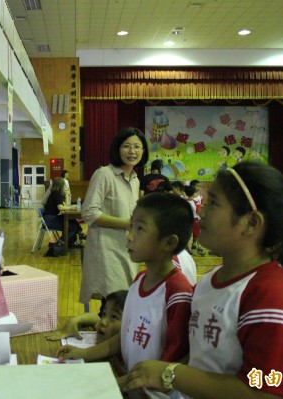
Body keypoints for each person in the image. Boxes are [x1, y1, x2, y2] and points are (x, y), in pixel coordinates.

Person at [122, 162, 283, 399]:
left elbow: (267, 394)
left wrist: (170, 374)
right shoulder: (209, 282)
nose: (201, 211)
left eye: (213, 203)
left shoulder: (274, 296)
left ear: (251, 223)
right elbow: (203, 359)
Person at [62, 192, 195, 399]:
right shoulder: (139, 280)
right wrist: (84, 354)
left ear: (169, 243)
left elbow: (170, 370)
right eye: (131, 225)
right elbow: (124, 338)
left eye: (140, 228)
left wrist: (115, 384)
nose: (129, 235)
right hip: (131, 388)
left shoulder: (178, 293)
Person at [79, 127, 149, 307]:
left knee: (122, 303)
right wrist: (126, 224)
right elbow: (89, 212)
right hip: (107, 250)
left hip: (127, 248)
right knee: (113, 304)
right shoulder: (104, 174)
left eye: (137, 147)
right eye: (126, 146)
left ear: (143, 151)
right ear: (118, 149)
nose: (132, 151)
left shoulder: (135, 179)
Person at [45, 290, 128, 344]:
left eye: (114, 317)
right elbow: (96, 318)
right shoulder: (105, 330)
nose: (103, 322)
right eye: (104, 314)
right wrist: (74, 320)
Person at [43, 177, 83, 246]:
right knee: (72, 226)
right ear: (61, 185)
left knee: (73, 221)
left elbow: (66, 205)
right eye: (64, 185)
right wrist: (72, 208)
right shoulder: (56, 194)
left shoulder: (56, 193)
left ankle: (72, 241)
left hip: (49, 218)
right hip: (49, 220)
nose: (66, 187)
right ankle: (59, 243)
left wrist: (67, 195)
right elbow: (61, 208)